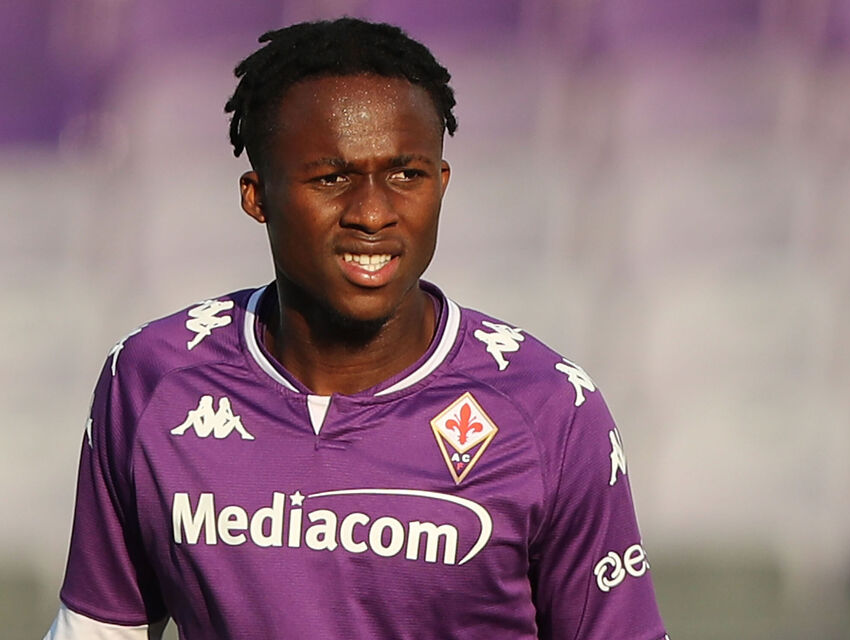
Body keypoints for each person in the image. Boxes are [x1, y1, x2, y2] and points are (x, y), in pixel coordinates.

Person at [44, 17, 667, 640]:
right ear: (258, 197)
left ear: (441, 185)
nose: (372, 213)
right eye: (332, 178)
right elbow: (100, 630)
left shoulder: (548, 409)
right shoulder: (153, 380)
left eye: (406, 175)